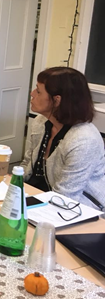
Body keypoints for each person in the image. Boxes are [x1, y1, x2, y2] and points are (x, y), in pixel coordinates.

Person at [21, 67, 105, 210]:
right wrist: (11, 186)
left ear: (57, 100)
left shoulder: (83, 140)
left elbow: (65, 197)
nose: (32, 94)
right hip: (38, 195)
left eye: (38, 91)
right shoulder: (41, 122)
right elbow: (27, 164)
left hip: (77, 209)